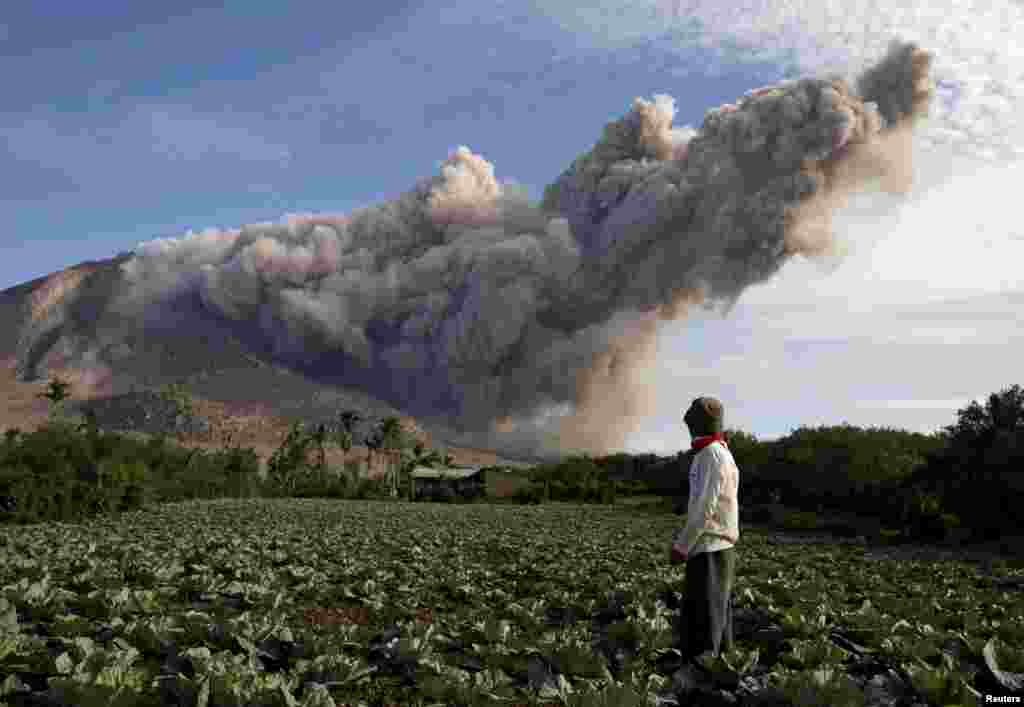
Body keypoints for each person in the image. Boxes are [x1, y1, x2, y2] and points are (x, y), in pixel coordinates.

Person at [669, 396, 740, 664]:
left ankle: (702, 682)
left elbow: (703, 510)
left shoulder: (710, 454)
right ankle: (720, 676)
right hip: (719, 548)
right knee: (717, 619)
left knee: (703, 623)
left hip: (710, 548)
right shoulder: (722, 452)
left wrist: (681, 547)